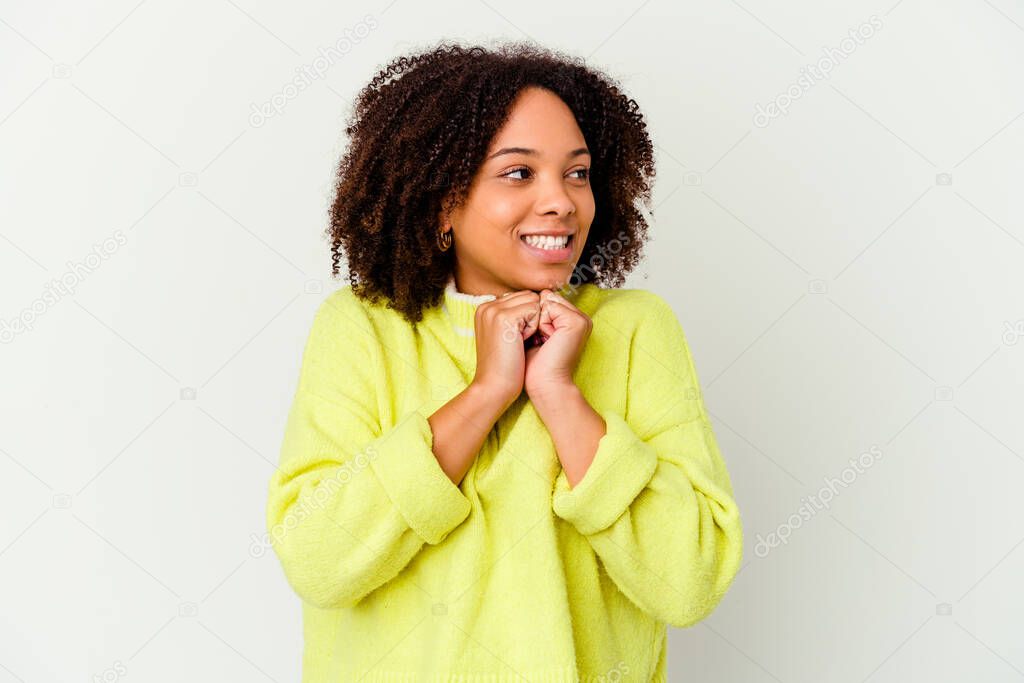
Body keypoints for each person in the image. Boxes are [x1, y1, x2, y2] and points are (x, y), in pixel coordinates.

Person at [265, 40, 743, 682]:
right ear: (441, 199)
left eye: (577, 173)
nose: (562, 202)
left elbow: (690, 582)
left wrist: (560, 396)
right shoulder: (363, 329)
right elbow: (319, 563)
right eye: (519, 173)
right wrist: (486, 391)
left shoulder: (633, 330)